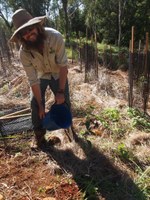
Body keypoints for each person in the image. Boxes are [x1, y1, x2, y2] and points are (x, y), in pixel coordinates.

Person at [10, 8, 71, 149]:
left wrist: (60, 91)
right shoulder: (24, 52)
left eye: (30, 29)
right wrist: (41, 105)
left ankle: (70, 131)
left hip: (57, 73)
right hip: (41, 75)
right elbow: (33, 80)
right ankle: (39, 137)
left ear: (37, 26)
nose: (28, 34)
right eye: (23, 33)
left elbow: (63, 67)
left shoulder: (55, 37)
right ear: (20, 36)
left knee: (65, 101)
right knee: (35, 104)